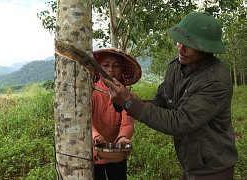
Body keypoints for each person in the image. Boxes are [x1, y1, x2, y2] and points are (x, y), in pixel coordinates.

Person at [102, 12, 238, 180]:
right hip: (191, 163)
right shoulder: (176, 66)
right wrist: (128, 101)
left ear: (206, 48)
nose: (180, 47)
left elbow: (180, 122)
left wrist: (130, 103)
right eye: (179, 40)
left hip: (212, 170)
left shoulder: (215, 81)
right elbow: (161, 101)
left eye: (189, 44)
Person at [92, 48, 141, 180]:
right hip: (93, 154)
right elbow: (85, 120)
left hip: (117, 153)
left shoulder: (125, 95)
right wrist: (95, 135)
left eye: (116, 66)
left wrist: (123, 138)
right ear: (98, 69)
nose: (111, 70)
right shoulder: (91, 92)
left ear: (122, 70)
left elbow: (128, 122)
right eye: (106, 65)